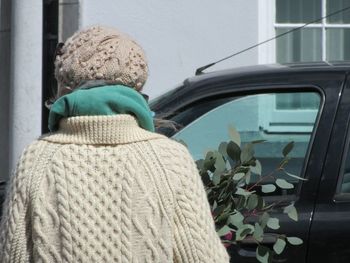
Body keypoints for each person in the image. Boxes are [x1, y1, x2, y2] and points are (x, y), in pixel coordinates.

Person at [0, 25, 229, 262]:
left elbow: (13, 257)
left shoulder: (37, 159)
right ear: (137, 89)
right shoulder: (170, 159)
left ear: (65, 88)